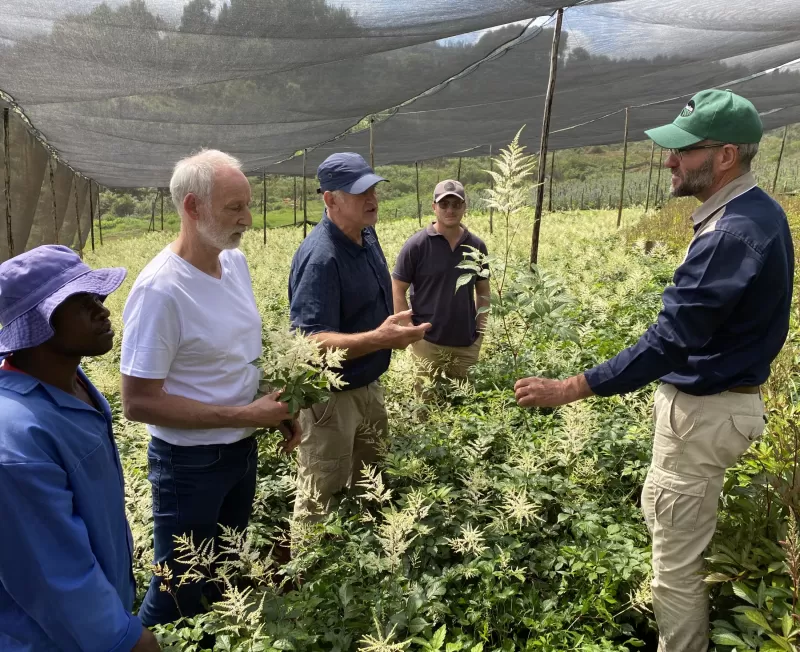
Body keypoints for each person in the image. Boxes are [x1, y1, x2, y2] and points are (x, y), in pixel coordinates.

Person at [513, 89, 794, 651]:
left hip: (704, 419)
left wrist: (571, 387)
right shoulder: (759, 213)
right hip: (730, 412)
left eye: (684, 151)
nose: (669, 160)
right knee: (703, 548)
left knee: (675, 566)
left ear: (724, 157)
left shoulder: (729, 234)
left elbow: (670, 341)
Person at [120, 149, 299, 626]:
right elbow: (137, 402)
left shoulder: (233, 264)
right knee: (177, 591)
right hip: (189, 464)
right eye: (234, 207)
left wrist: (279, 407)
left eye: (247, 204)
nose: (247, 218)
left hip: (239, 453)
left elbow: (239, 354)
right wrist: (245, 415)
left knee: (221, 572)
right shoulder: (161, 291)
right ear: (193, 208)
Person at [0, 245, 160, 651]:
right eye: (81, 301)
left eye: (98, 297)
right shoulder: (16, 436)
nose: (103, 310)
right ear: (37, 324)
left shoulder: (73, 386)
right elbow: (51, 573)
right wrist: (124, 637)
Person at [288, 152, 430, 520]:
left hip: (368, 385)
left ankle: (367, 559)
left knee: (373, 481)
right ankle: (313, 571)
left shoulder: (366, 234)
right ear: (330, 199)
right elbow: (309, 343)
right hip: (332, 401)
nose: (372, 199)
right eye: (359, 193)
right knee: (321, 495)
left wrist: (392, 327)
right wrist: (381, 338)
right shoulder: (322, 257)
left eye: (373, 189)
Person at [392, 179, 490, 391]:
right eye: (444, 204)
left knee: (465, 407)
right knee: (425, 408)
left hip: (466, 344)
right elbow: (398, 288)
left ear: (464, 206)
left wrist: (480, 333)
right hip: (427, 343)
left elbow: (483, 291)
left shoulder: (477, 246)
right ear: (433, 207)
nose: (450, 210)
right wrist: (409, 330)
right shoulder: (416, 245)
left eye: (456, 204)